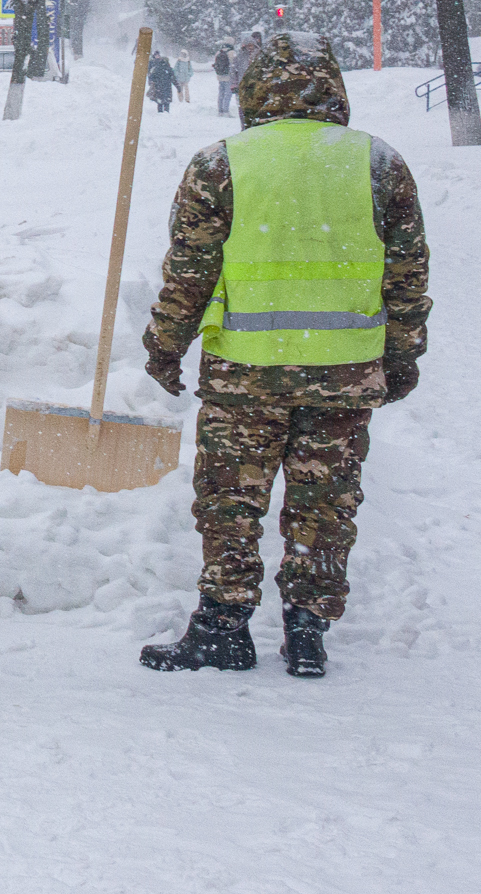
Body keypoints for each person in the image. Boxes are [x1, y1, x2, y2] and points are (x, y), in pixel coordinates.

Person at [139, 33, 429, 678]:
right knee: (326, 501)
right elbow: (407, 273)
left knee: (230, 500)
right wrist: (403, 355)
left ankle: (222, 626)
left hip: (246, 373)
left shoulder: (222, 163)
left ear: (253, 87)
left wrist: (166, 344)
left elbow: (190, 268)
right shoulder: (379, 163)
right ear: (333, 86)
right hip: (345, 373)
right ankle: (307, 629)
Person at [232, 32, 264, 123]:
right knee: (242, 107)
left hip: (256, 85)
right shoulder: (239, 57)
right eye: (248, 46)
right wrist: (234, 84)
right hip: (242, 86)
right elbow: (233, 72)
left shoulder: (259, 56)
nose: (250, 48)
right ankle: (244, 124)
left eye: (251, 45)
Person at [213, 42, 235, 116]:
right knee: (228, 94)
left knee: (221, 93)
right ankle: (226, 111)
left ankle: (220, 111)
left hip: (220, 76)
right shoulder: (231, 52)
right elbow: (233, 64)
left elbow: (215, 63)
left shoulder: (219, 52)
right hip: (228, 76)